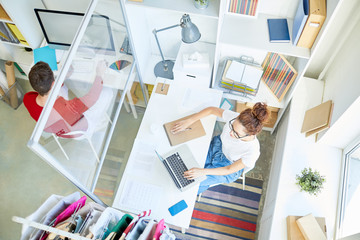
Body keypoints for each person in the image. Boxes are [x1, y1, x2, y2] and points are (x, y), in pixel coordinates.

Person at [171, 102, 269, 194]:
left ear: (250, 134)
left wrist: (203, 171)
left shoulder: (252, 151)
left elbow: (229, 169)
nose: (231, 133)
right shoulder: (235, 119)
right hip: (217, 145)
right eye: (232, 127)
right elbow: (211, 110)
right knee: (187, 166)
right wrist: (189, 121)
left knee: (194, 183)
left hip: (228, 165)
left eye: (236, 133)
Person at [23, 61, 113, 138]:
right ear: (54, 84)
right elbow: (92, 97)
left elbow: (50, 91)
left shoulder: (27, 98)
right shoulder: (68, 108)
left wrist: (64, 77)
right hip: (83, 129)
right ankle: (98, 122)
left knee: (64, 88)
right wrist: (99, 74)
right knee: (108, 92)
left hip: (64, 131)